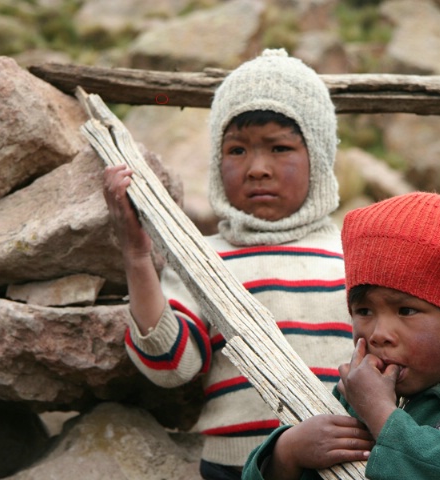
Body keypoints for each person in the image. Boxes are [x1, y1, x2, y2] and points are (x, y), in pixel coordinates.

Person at [102, 49, 353, 479]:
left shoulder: (355, 255)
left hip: (345, 467)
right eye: (237, 150)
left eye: (279, 148)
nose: (257, 168)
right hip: (236, 467)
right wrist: (138, 255)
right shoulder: (201, 258)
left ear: (320, 154)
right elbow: (171, 365)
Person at [242, 192, 440, 480]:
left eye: (406, 311)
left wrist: (382, 416)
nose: (379, 334)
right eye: (363, 311)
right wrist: (286, 455)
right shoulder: (352, 399)